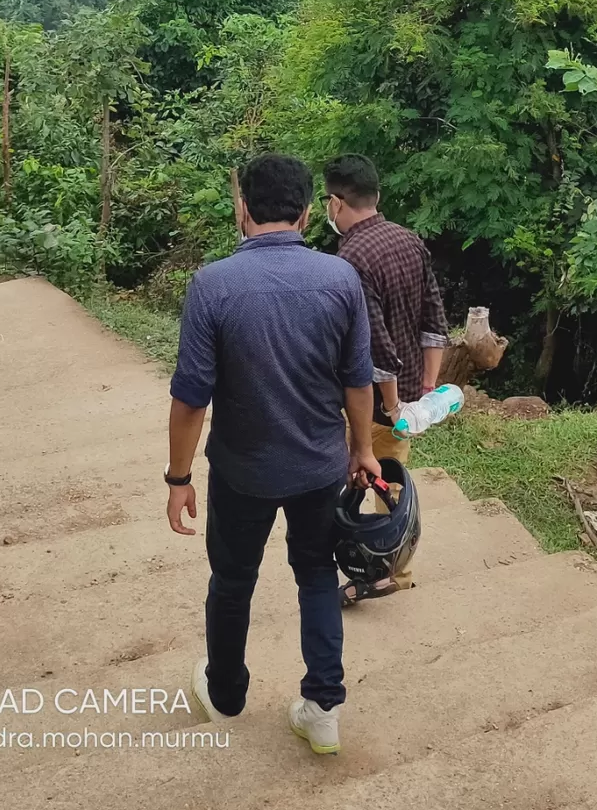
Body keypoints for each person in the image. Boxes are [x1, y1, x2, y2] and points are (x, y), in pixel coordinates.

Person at [166, 153, 379, 757]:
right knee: (316, 575)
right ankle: (323, 708)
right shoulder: (340, 280)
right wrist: (361, 449)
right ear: (309, 212)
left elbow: (189, 401)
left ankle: (225, 695)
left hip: (241, 473)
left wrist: (178, 476)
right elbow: (357, 381)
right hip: (318, 468)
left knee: (232, 581)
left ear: (242, 209)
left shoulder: (213, 285)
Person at [324, 153, 449, 604]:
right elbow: (434, 320)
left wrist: (392, 405)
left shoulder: (350, 257)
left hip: (368, 403)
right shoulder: (409, 240)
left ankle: (356, 567)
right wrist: (428, 388)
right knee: (390, 478)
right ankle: (396, 568)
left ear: (336, 203)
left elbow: (377, 351)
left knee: (349, 478)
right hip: (410, 399)